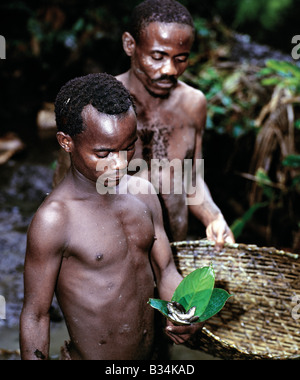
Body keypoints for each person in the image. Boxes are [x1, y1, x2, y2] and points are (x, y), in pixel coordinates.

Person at [20, 73, 203, 360]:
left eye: (128, 147)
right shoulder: (55, 220)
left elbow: (165, 270)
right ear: (66, 142)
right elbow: (36, 315)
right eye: (104, 153)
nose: (119, 163)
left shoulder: (142, 192)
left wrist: (185, 312)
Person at [53, 0, 234, 247]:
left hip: (173, 250)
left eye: (181, 58)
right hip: (112, 256)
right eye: (157, 57)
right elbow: (62, 194)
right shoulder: (93, 108)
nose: (170, 69)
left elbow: (191, 177)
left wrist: (214, 217)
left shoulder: (194, 105)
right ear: (130, 45)